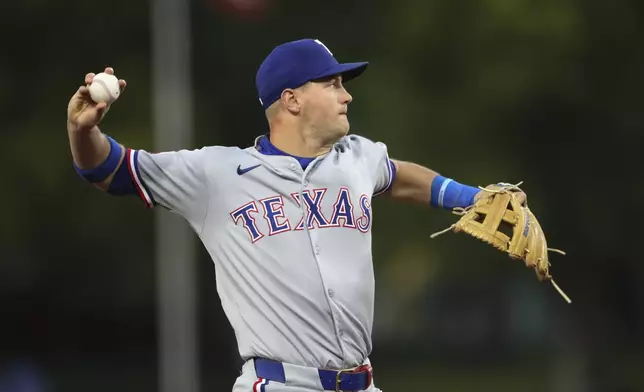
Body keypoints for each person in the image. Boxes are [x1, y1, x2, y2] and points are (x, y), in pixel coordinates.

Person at [66, 38, 524, 392]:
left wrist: (474, 198)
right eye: (333, 83)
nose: (346, 96)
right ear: (292, 100)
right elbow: (111, 170)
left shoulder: (356, 157)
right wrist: (81, 130)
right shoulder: (217, 174)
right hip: (280, 382)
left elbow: (399, 176)